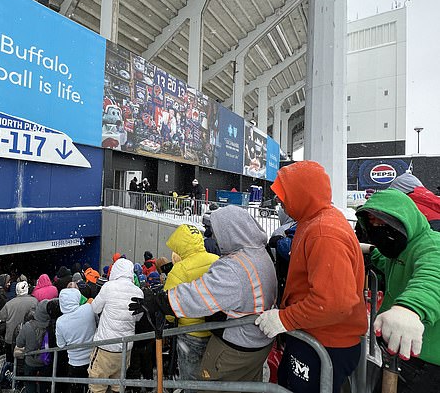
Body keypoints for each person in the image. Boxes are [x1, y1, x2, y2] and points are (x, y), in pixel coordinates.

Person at [130, 205, 277, 387]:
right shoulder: (258, 254)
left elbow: (197, 296)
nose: (215, 237)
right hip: (256, 341)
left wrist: (159, 301)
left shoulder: (234, 266)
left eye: (217, 232)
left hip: (233, 343)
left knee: (204, 385)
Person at [255, 161, 367, 393]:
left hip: (325, 342)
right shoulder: (315, 221)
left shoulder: (323, 233)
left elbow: (335, 303)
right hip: (314, 334)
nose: (281, 202)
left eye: (285, 195)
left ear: (302, 194)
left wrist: (284, 319)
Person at [356, 188, 440, 392]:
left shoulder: (431, 245)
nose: (379, 230)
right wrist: (364, 249)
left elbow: (432, 277)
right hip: (402, 354)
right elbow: (386, 260)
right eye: (373, 223)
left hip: (428, 364)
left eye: (385, 223)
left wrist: (409, 309)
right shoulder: (401, 248)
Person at [163, 224, 218, 391]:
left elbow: (169, 310)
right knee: (210, 375)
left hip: (190, 334)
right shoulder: (216, 260)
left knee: (190, 378)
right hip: (216, 331)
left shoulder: (179, 270)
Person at [88, 258, 143, 393]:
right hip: (125, 347)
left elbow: (95, 309)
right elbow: (138, 317)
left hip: (105, 345)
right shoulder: (138, 291)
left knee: (97, 383)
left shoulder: (108, 287)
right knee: (118, 384)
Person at [56, 288, 97, 393]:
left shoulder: (60, 322)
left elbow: (60, 345)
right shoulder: (88, 309)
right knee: (94, 388)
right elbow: (97, 322)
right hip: (93, 358)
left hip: (75, 362)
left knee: (76, 389)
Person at [15, 300, 53, 393]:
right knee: (45, 384)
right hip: (46, 361)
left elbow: (19, 343)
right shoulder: (52, 326)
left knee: (29, 383)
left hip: (30, 361)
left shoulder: (27, 326)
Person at [0, 280, 38, 364]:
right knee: (27, 362)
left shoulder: (9, 304)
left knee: (10, 361)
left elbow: (2, 317)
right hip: (29, 337)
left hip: (10, 338)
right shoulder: (34, 301)